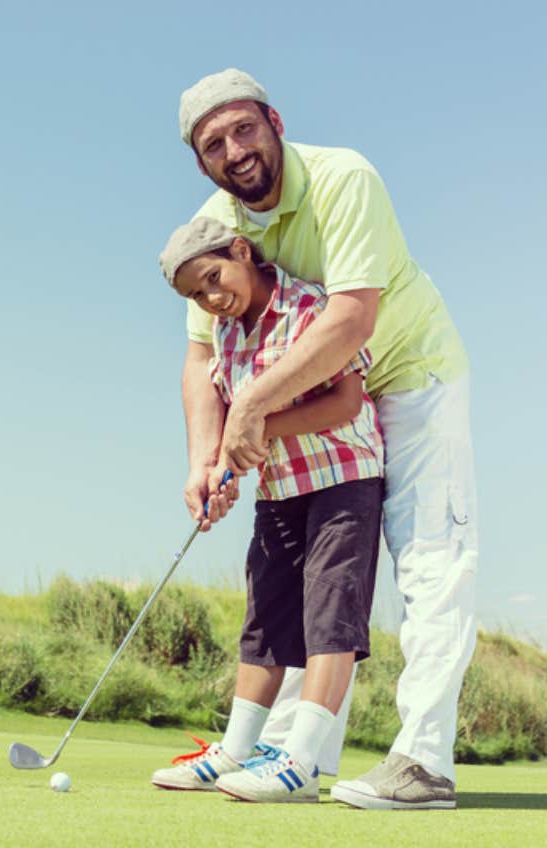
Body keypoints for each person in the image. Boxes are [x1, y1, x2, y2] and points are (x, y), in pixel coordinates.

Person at [173, 68, 478, 810]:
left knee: (429, 561)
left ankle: (424, 760)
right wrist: (206, 458)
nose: (234, 149)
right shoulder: (219, 221)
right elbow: (202, 354)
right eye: (214, 143)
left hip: (409, 375)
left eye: (244, 128)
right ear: (202, 160)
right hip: (311, 415)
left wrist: (254, 410)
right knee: (300, 584)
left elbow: (351, 321)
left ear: (274, 121)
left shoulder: (344, 177)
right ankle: (295, 753)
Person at [150, 216, 384, 803]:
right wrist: (218, 474)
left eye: (213, 278)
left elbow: (347, 400)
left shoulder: (307, 306)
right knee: (265, 621)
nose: (211, 298)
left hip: (342, 479)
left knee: (330, 615)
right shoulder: (225, 335)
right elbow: (233, 428)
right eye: (196, 295)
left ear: (240, 250)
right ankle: (236, 750)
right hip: (279, 490)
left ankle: (302, 763)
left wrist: (258, 426)